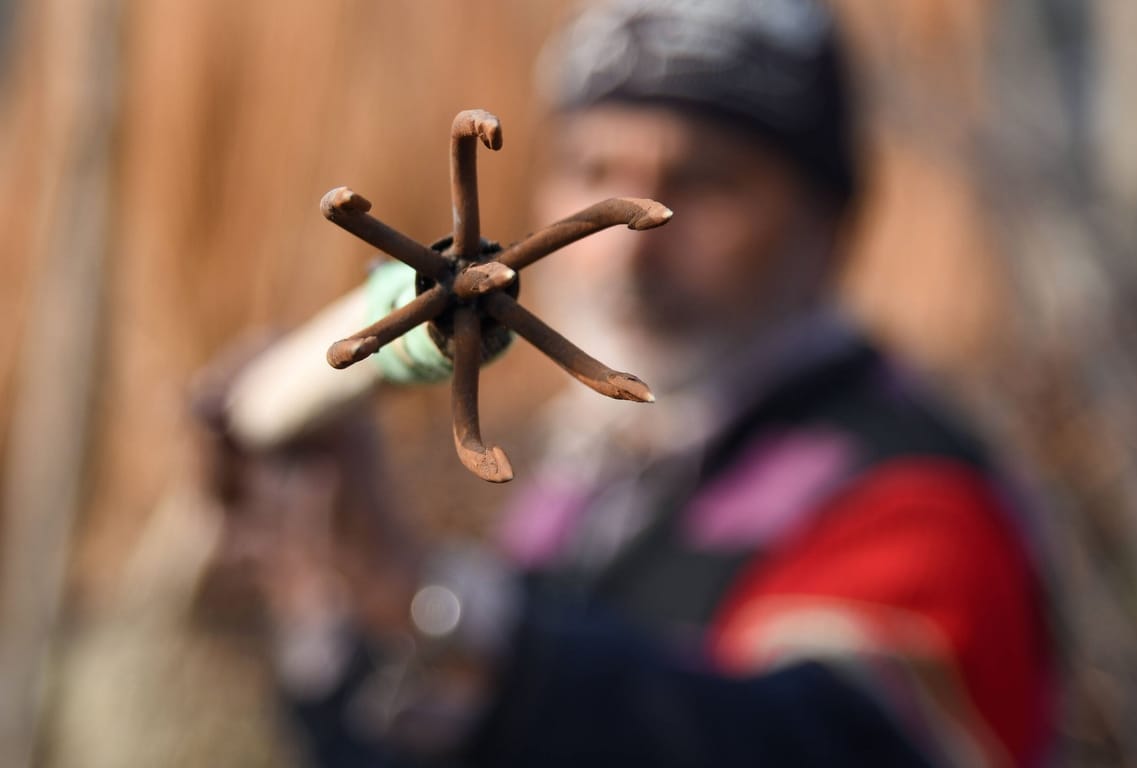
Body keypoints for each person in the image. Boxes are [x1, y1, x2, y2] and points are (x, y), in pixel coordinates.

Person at [198, 0, 1054, 765]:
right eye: (595, 172)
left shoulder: (910, 501)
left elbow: (816, 742)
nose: (626, 246)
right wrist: (331, 602)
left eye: (704, 182)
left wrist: (429, 604)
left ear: (830, 224)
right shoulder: (604, 475)